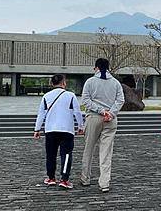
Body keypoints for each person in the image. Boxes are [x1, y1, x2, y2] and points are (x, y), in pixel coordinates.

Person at [80, 58, 125, 193]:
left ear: (96, 68)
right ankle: (104, 182)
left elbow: (85, 100)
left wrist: (100, 110)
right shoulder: (116, 83)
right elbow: (120, 100)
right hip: (110, 119)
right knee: (106, 152)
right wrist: (110, 113)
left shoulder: (90, 82)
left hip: (94, 117)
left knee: (89, 148)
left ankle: (85, 178)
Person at [33, 74, 84, 189]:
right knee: (66, 155)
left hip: (50, 129)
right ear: (64, 83)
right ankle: (64, 179)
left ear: (52, 84)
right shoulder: (70, 96)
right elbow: (77, 112)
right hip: (67, 130)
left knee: (51, 154)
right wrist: (81, 126)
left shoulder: (46, 96)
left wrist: (37, 129)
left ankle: (51, 178)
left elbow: (41, 114)